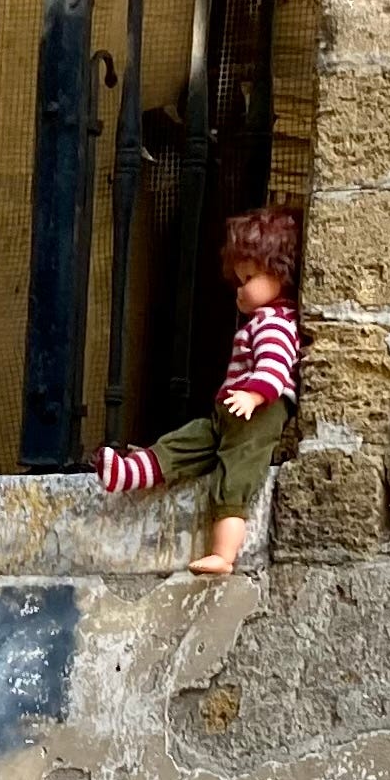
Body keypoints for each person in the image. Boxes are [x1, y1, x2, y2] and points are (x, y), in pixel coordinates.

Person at [97, 207, 303, 575]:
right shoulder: (258, 321)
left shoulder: (274, 323)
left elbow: (275, 366)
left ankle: (224, 554)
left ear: (279, 273)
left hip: (256, 415)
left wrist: (253, 395)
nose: (239, 290)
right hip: (229, 413)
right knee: (187, 442)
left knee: (235, 477)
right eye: (238, 281)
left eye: (249, 278)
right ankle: (130, 472)